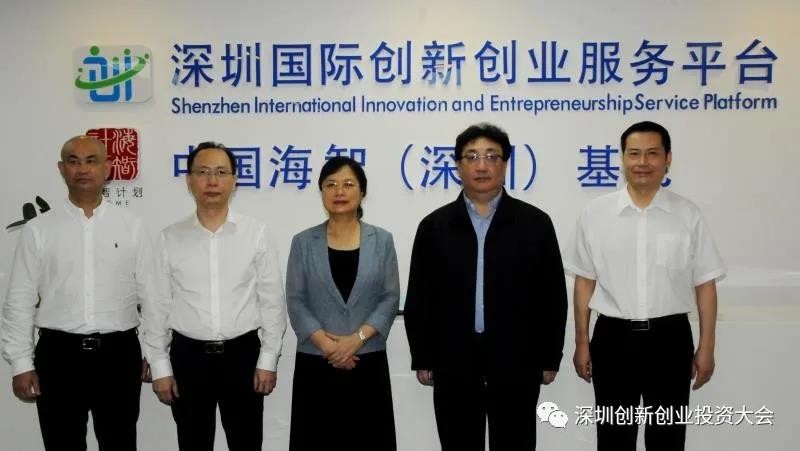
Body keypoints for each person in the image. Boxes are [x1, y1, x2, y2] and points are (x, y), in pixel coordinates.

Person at [404, 123, 568, 451]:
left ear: (505, 164)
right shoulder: (435, 226)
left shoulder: (535, 223)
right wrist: (423, 355)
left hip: (517, 357)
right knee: (458, 442)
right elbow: (420, 296)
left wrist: (550, 356)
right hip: (453, 357)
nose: (482, 166)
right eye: (472, 157)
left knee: (516, 442)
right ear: (458, 165)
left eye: (492, 156)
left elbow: (552, 296)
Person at [565, 121, 726, 451]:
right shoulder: (595, 214)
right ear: (622, 158)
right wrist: (582, 342)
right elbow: (584, 283)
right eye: (634, 153)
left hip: (670, 340)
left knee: (667, 438)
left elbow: (705, 285)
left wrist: (707, 346)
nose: (642, 162)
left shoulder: (688, 215)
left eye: (652, 153)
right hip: (613, 340)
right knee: (614, 438)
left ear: (668, 159)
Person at [1, 135, 152, 451]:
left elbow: (151, 294)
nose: (82, 169)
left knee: (120, 443)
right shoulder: (39, 229)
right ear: (61, 169)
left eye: (91, 160)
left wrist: (154, 352)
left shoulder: (131, 226)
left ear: (107, 169)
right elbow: (20, 299)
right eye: (73, 161)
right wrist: (21, 363)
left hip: (118, 355)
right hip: (58, 356)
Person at [142, 142, 287, 451]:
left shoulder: (256, 233)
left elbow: (272, 302)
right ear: (189, 180)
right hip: (188, 358)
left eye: (221, 172)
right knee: (192, 444)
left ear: (234, 180)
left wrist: (268, 359)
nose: (212, 181)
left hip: (243, 356)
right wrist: (161, 367)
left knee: (247, 444)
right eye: (203, 172)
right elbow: (157, 306)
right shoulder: (170, 237)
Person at [286, 156, 400, 451]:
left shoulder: (382, 240)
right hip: (317, 361)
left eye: (348, 184)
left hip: (367, 360)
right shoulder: (303, 242)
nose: (339, 191)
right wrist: (329, 346)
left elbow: (390, 297)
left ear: (362, 192)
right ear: (321, 192)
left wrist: (356, 339)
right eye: (331, 184)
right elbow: (295, 299)